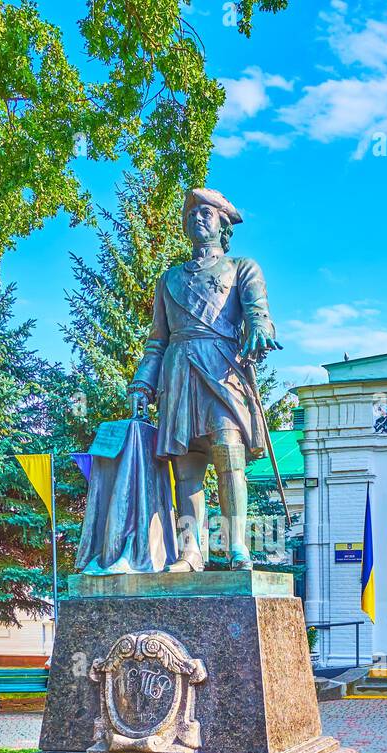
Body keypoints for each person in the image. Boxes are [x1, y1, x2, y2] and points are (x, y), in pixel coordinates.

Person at [127, 188, 281, 571]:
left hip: (222, 368)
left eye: (207, 213)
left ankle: (237, 547)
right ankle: (190, 550)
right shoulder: (170, 280)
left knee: (229, 455)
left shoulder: (242, 268)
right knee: (187, 466)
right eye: (192, 212)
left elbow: (258, 311)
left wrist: (259, 329)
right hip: (178, 374)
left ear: (223, 225)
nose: (198, 217)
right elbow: (157, 340)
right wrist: (142, 383)